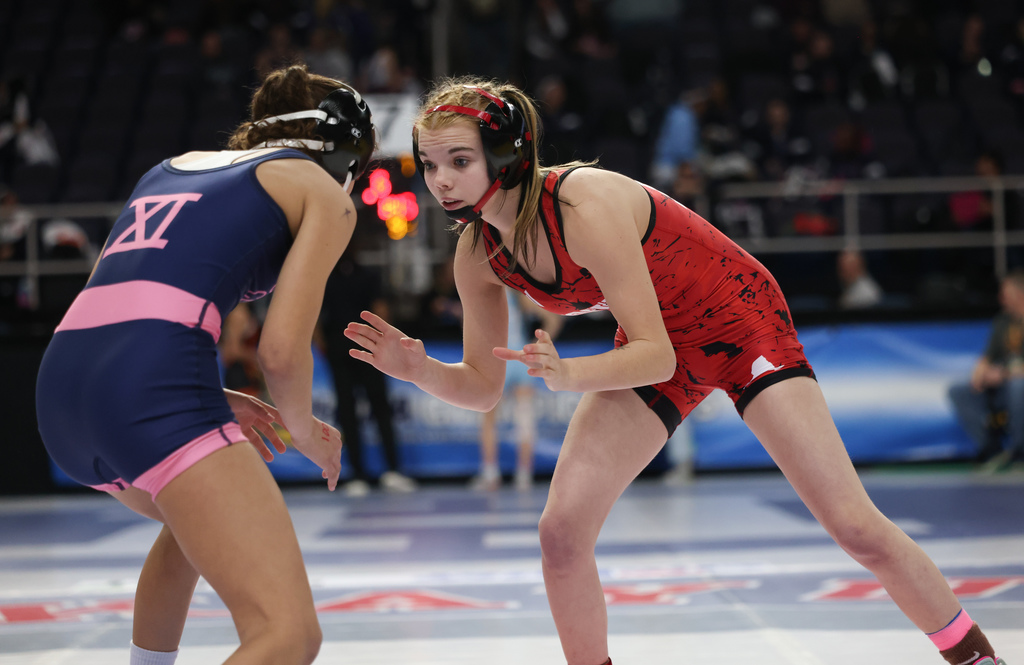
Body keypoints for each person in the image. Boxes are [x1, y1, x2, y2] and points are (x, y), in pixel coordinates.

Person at [343, 76, 1008, 665]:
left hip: (738, 319)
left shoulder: (580, 205)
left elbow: (654, 354)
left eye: (459, 160)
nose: (440, 181)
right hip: (658, 340)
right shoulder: (477, 254)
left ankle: (973, 656)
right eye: (429, 164)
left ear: (508, 154)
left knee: (855, 526)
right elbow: (485, 388)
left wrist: (568, 375)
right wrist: (421, 367)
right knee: (560, 533)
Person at [35, 64, 375, 665]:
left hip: (63, 390)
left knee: (191, 531)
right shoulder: (320, 192)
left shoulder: (168, 170)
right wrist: (305, 431)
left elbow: (118, 305)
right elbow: (279, 351)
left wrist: (209, 393)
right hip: (151, 390)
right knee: (288, 635)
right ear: (342, 151)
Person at [319, 242, 417, 496]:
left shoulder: (344, 277)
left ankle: (378, 472)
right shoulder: (332, 278)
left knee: (370, 410)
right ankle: (368, 473)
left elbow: (380, 312)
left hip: (363, 354)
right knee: (359, 412)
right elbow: (318, 321)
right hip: (353, 354)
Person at [470, 288, 562, 491]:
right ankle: (524, 476)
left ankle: (490, 474)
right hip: (520, 358)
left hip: (497, 360)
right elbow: (553, 319)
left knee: (488, 419)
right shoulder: (515, 296)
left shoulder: (483, 298)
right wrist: (537, 347)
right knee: (525, 420)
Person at [948, 270, 1024, 472]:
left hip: (1017, 385)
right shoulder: (1003, 322)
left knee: (1018, 386)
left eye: (1005, 293)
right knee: (959, 390)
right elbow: (987, 357)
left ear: (1020, 294)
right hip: (1003, 386)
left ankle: (1020, 452)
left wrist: (1004, 374)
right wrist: (979, 373)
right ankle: (992, 449)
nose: (1001, 298)